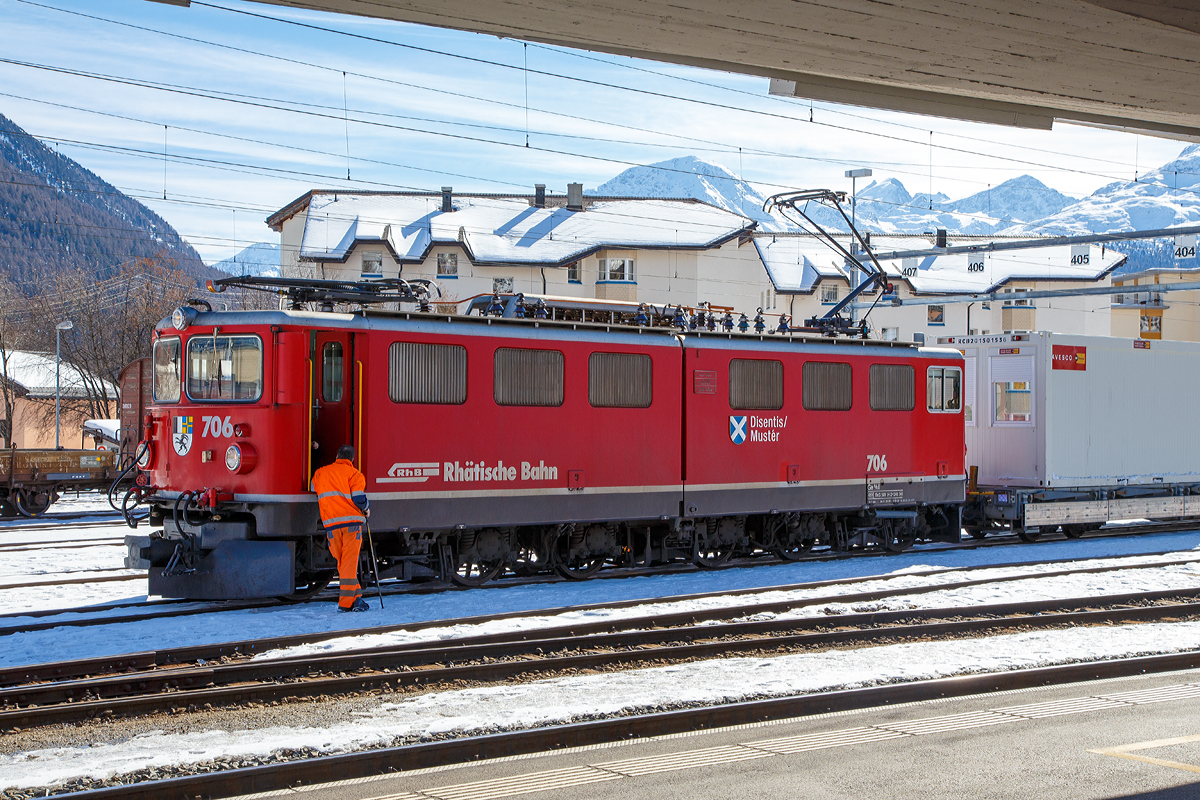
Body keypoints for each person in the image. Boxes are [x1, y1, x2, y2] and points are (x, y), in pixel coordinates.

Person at [310, 444, 370, 612]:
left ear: (336, 456)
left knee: (344, 565)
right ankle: (345, 604)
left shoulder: (321, 472)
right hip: (351, 525)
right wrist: (366, 508)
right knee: (348, 565)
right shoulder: (354, 474)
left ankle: (357, 599)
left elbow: (313, 486)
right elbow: (359, 498)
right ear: (351, 459)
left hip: (331, 525)